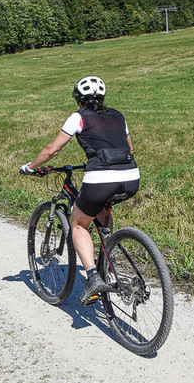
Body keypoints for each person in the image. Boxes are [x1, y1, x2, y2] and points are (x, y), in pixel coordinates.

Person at [20, 76, 139, 306]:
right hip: (132, 177)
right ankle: (108, 256)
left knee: (78, 223)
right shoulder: (118, 115)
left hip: (101, 178)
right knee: (102, 211)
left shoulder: (78, 117)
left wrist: (30, 167)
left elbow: (51, 151)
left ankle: (93, 276)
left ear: (78, 99)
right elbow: (129, 147)